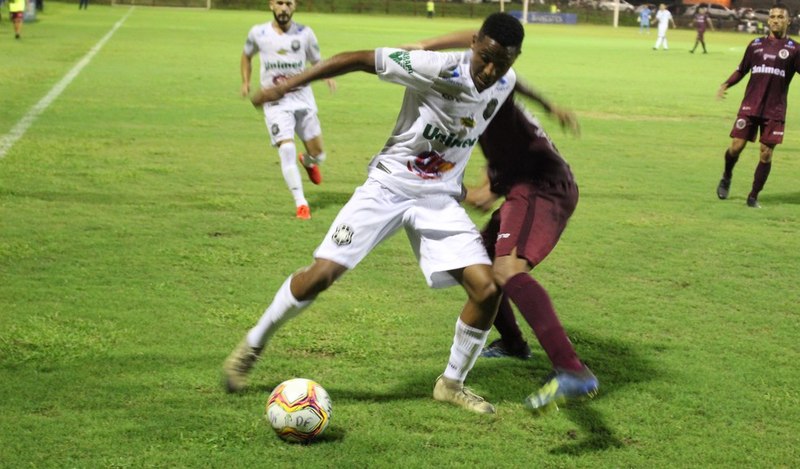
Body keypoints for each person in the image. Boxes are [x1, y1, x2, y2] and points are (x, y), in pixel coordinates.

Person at [223, 13, 525, 415]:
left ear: (513, 60)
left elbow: (491, 112)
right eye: (484, 58)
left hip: (439, 200)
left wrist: (490, 175)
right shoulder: (436, 69)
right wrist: (290, 85)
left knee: (487, 290)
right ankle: (254, 343)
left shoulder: (504, 82)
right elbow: (358, 58)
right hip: (388, 187)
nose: (489, 71)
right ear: (473, 43)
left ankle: (451, 384)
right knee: (321, 276)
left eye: (500, 64)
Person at [409, 32, 599, 412]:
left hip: (542, 187)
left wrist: (428, 45)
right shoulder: (486, 90)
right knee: (480, 262)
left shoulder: (485, 83)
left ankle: (572, 370)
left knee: (508, 269)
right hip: (520, 183)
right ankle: (513, 343)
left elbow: (427, 51)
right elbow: (485, 187)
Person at [241, 0, 336, 220]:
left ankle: (309, 161)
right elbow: (246, 55)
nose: (284, 7)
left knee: (319, 154)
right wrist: (246, 81)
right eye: (279, 3)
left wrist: (327, 75)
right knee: (286, 148)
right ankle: (301, 203)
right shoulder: (258, 33)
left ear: (295, 7)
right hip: (275, 101)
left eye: (288, 3)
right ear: (271, 5)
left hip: (303, 99)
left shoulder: (305, 34)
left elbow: (316, 60)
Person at [715, 4, 800, 208]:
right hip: (750, 106)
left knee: (766, 153)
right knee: (736, 147)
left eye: (781, 16)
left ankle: (753, 197)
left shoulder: (795, 49)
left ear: (788, 21)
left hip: (775, 110)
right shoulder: (755, 45)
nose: (776, 19)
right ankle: (727, 176)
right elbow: (742, 69)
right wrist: (726, 83)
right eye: (773, 16)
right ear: (768, 20)